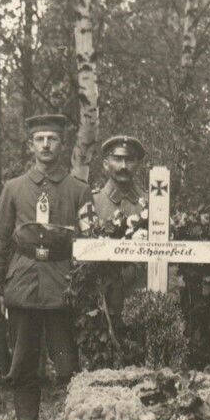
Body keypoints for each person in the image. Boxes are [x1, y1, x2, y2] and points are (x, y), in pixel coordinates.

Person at [0, 113, 92, 420]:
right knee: (23, 363)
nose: (46, 145)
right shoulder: (14, 189)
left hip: (64, 287)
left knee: (67, 364)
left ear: (63, 144)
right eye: (40, 139)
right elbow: (0, 240)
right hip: (24, 285)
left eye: (53, 138)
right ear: (30, 145)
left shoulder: (79, 190)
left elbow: (88, 245)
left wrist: (85, 290)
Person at [89, 135, 148, 319]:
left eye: (129, 159)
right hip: (101, 303)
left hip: (142, 298)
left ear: (137, 164)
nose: (123, 166)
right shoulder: (93, 202)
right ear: (106, 164)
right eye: (117, 159)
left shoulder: (152, 203)